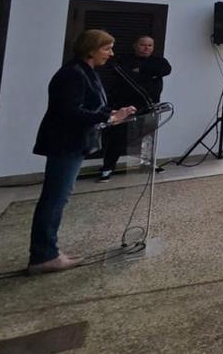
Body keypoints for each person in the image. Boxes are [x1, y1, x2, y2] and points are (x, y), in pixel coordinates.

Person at [28, 30, 137, 274]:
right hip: (65, 143)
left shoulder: (85, 72)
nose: (111, 54)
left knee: (58, 197)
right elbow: (70, 111)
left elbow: (91, 105)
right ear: (90, 49)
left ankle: (47, 252)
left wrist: (115, 113)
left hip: (73, 143)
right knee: (55, 198)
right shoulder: (72, 74)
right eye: (106, 49)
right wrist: (108, 116)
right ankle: (44, 256)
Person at [102, 35, 171, 181]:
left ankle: (147, 163)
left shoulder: (158, 61)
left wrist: (140, 70)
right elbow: (123, 74)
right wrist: (148, 75)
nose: (146, 48)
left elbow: (166, 69)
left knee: (147, 136)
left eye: (150, 45)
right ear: (135, 45)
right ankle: (108, 167)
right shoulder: (123, 60)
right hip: (125, 106)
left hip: (149, 105)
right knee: (117, 137)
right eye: (143, 45)